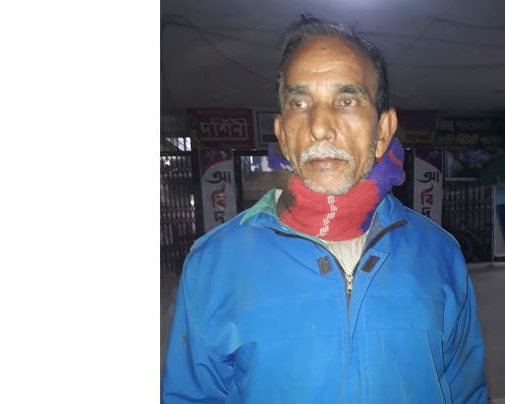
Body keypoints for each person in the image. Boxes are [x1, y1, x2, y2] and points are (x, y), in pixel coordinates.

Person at [162, 14, 487, 403]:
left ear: (382, 131)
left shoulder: (440, 254)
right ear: (282, 134)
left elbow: (465, 390)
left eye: (347, 100)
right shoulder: (214, 264)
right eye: (300, 102)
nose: (319, 126)